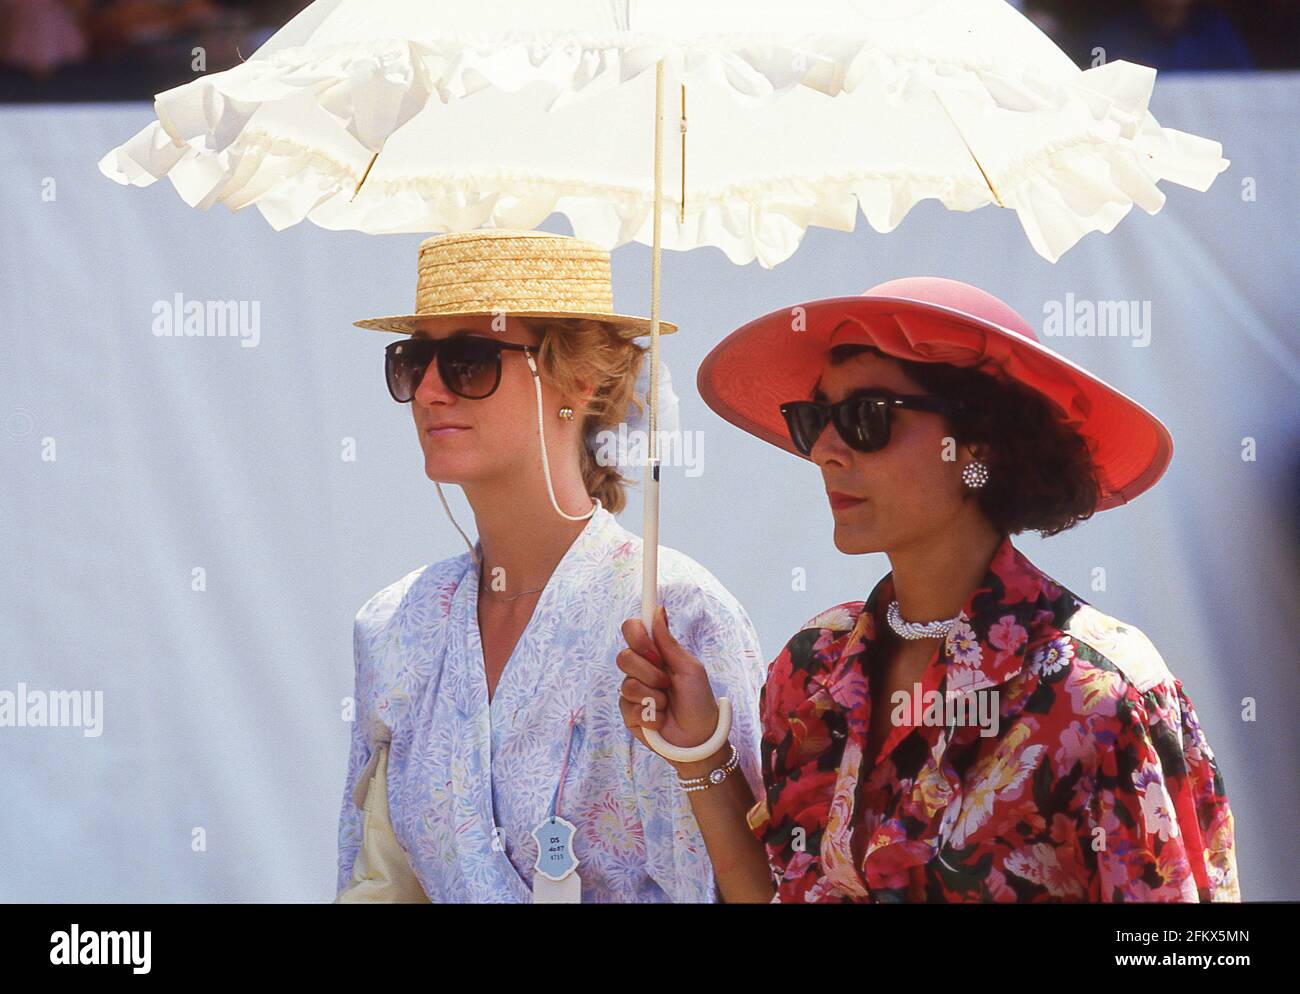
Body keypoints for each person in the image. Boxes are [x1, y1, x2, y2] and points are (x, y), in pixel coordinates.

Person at [619, 277, 1239, 902]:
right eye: (814, 420)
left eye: (867, 418)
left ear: (979, 443)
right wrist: (699, 755)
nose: (826, 451)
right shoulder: (809, 668)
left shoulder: (1099, 695)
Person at [334, 229, 766, 903]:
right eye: (412, 361)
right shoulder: (395, 626)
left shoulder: (675, 611)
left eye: (468, 361)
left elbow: (749, 888)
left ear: (578, 379)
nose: (427, 392)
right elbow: (377, 886)